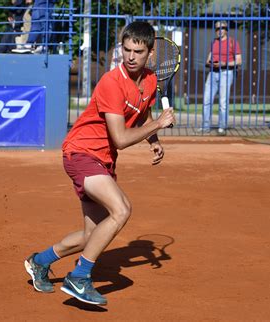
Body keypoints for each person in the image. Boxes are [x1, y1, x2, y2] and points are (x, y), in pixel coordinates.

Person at [24, 21, 175, 306]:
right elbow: (119, 138)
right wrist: (158, 123)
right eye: (126, 49)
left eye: (138, 52)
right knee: (121, 209)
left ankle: (39, 262)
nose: (130, 57)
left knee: (89, 236)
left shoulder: (151, 80)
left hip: (103, 161)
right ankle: (80, 277)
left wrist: (153, 138)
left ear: (150, 53)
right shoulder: (111, 82)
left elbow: (141, 113)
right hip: (81, 153)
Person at [197, 20, 242, 135]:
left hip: (226, 73)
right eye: (217, 29)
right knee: (206, 100)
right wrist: (210, 62)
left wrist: (224, 63)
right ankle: (205, 126)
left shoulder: (233, 42)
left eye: (222, 28)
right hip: (213, 72)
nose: (219, 30)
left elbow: (238, 61)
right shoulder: (214, 43)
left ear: (226, 30)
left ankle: (222, 127)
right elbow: (209, 58)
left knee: (223, 101)